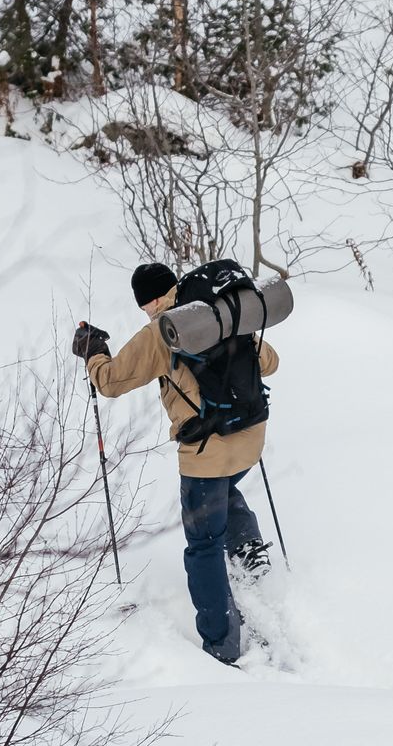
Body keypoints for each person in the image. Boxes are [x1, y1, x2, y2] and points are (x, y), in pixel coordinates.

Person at [73, 262, 279, 668]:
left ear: (147, 301)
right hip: (252, 437)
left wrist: (93, 352)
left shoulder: (162, 330)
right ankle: (250, 554)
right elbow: (269, 362)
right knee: (225, 486)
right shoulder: (220, 311)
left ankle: (222, 646)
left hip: (206, 449)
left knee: (203, 544)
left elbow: (111, 382)